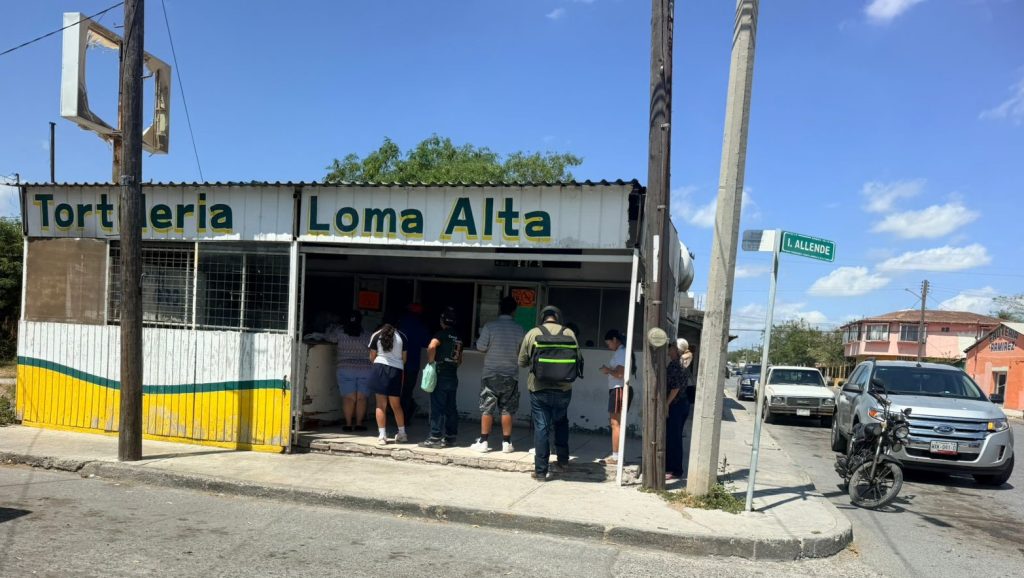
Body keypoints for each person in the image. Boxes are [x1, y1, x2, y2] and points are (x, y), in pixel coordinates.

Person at [518, 305, 577, 481]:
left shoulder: (532, 333)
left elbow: (521, 361)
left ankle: (541, 471)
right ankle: (563, 461)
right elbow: (578, 360)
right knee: (561, 422)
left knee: (542, 427)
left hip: (539, 388)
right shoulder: (569, 333)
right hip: (563, 389)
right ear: (558, 318)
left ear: (542, 317)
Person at [471, 296, 525, 453]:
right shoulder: (519, 329)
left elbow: (481, 347)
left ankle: (483, 441)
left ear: (499, 309)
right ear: (514, 311)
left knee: (487, 408)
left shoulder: (490, 326)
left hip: (490, 374)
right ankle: (506, 443)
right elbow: (522, 352)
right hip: (511, 375)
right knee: (507, 409)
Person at [419, 307, 463, 448]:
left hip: (440, 374)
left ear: (442, 321)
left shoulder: (441, 334)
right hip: (452, 375)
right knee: (451, 408)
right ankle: (450, 437)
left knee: (437, 407)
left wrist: (431, 362)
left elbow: (431, 347)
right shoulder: (458, 337)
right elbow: (459, 360)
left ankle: (435, 437)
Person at [325, 310, 371, 432]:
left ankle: (348, 424)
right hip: (365, 369)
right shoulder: (367, 335)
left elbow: (328, 337)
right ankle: (359, 424)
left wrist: (331, 328)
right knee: (361, 398)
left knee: (348, 398)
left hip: (345, 369)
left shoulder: (339, 333)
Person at [367, 320, 408, 444]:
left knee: (380, 404)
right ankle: (402, 434)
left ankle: (382, 436)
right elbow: (404, 359)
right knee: (396, 405)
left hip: (379, 368)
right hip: (396, 371)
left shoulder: (376, 335)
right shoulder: (402, 337)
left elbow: (372, 356)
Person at [666, 338, 694, 481]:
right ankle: (670, 467)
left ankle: (675, 470)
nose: (668, 349)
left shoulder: (676, 364)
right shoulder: (680, 363)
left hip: (676, 405)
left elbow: (675, 388)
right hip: (682, 404)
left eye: (671, 347)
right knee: (673, 437)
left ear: (676, 350)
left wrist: (666, 404)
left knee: (674, 438)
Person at [599, 329, 628, 466]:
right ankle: (617, 455)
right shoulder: (620, 352)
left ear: (615, 340)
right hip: (615, 389)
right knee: (615, 423)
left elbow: (620, 374)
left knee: (615, 423)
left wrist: (607, 370)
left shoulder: (621, 352)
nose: (609, 346)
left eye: (609, 343)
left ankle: (616, 457)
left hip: (618, 389)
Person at [399, 303, 430, 423]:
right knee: (407, 392)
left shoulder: (401, 323)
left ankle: (400, 416)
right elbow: (426, 343)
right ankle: (404, 418)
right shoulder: (421, 326)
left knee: (396, 391)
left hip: (397, 363)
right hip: (412, 364)